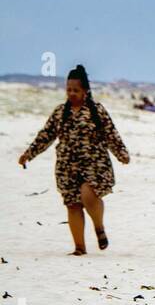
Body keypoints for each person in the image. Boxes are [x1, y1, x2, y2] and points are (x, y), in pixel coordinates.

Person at [17, 65, 130, 254]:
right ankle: (79, 248)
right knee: (72, 204)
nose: (72, 93)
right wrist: (29, 154)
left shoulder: (96, 111)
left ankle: (99, 227)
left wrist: (122, 154)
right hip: (66, 166)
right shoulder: (61, 112)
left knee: (88, 194)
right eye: (69, 90)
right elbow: (45, 136)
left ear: (85, 91)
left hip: (95, 164)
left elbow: (111, 134)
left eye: (76, 90)